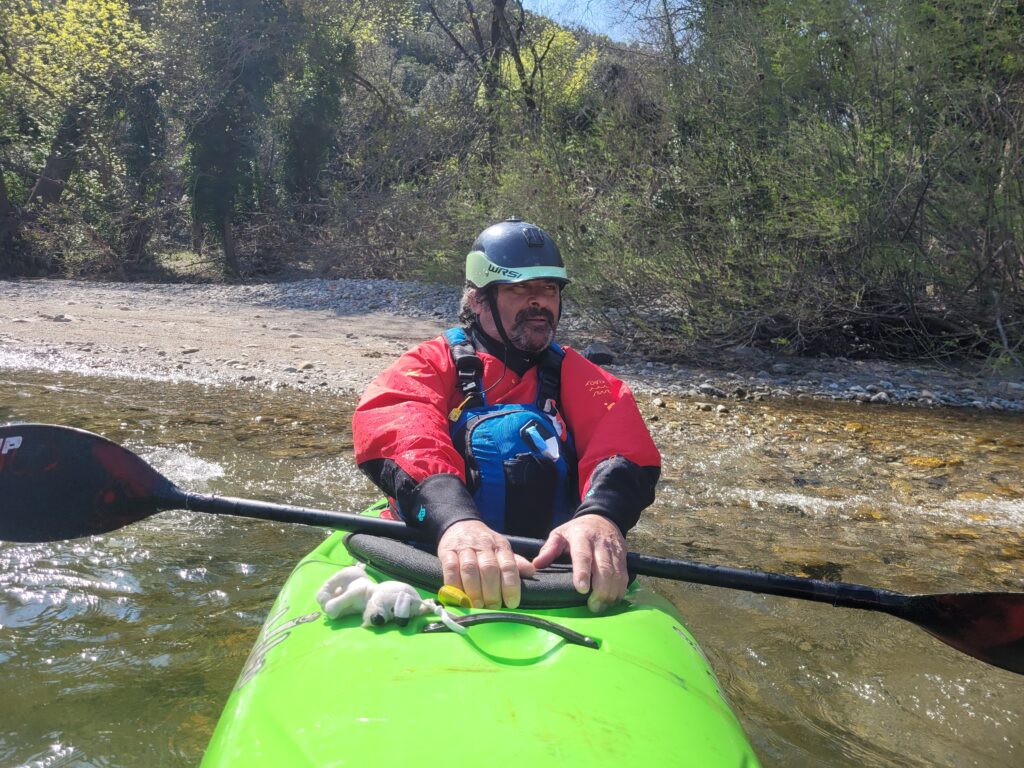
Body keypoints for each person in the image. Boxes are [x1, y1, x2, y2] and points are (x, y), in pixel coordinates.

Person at [352, 217, 660, 613]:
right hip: (433, 547)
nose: (539, 302)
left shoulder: (580, 376)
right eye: (519, 288)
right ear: (478, 300)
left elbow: (622, 448)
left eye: (548, 289)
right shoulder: (429, 364)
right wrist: (457, 522)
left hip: (553, 566)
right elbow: (400, 429)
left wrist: (602, 516)